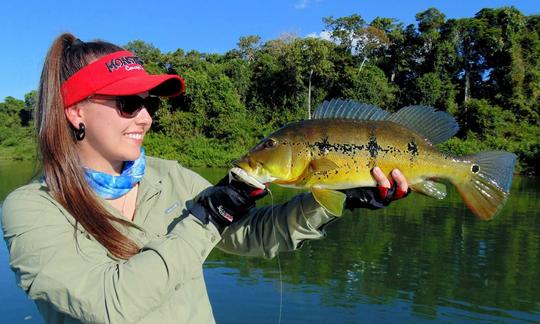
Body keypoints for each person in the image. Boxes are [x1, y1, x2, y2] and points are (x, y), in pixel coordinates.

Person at [1, 33, 409, 323]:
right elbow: (109, 307)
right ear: (75, 112)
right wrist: (209, 217)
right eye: (128, 104)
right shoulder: (32, 207)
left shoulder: (170, 177)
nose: (145, 117)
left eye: (149, 105)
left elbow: (250, 235)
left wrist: (330, 200)